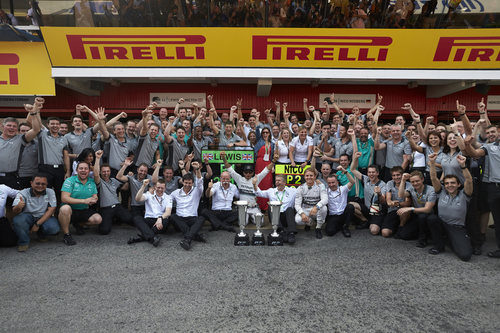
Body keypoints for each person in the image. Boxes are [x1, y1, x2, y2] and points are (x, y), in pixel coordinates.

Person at [463, 125, 500, 258]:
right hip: (494, 187)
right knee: (498, 220)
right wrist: (467, 145)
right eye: (488, 132)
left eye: (493, 132)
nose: (490, 134)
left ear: (498, 132)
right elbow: (474, 154)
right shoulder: (489, 147)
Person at [427, 153, 473, 261]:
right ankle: (439, 246)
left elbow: (469, 180)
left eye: (453, 183)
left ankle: (451, 241)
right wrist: (432, 163)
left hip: (457, 228)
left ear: (458, 184)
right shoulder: (441, 192)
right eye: (447, 183)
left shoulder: (464, 195)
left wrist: (463, 165)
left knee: (465, 256)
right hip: (442, 225)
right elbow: (433, 178)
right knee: (432, 219)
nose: (449, 185)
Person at [221, 151, 273, 224]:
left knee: (259, 223)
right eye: (246, 172)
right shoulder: (239, 179)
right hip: (243, 208)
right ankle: (248, 218)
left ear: (253, 173)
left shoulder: (256, 179)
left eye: (250, 172)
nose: (248, 174)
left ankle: (252, 218)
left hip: (254, 207)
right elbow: (230, 169)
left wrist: (274, 161)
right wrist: (224, 158)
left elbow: (266, 170)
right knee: (243, 223)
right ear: (243, 172)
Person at [0, 99, 42, 189]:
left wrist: (33, 113)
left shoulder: (20, 139)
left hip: (12, 177)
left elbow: (36, 129)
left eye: (14, 126)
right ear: (2, 126)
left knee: (13, 202)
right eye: (9, 125)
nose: (12, 128)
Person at [58, 161, 102, 246]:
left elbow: (94, 196)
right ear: (76, 170)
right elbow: (64, 198)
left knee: (98, 219)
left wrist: (94, 199)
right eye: (81, 168)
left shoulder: (91, 182)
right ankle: (67, 235)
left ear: (89, 171)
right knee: (65, 209)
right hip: (70, 209)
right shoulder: (70, 180)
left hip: (83, 209)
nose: (83, 170)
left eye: (86, 169)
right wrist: (84, 201)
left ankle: (78, 224)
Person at [12, 174, 59, 252]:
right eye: (37, 183)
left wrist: (37, 224)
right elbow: (15, 210)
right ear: (31, 183)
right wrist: (18, 207)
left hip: (43, 216)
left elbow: (51, 209)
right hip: (28, 216)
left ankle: (41, 234)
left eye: (43, 184)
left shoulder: (50, 192)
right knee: (18, 220)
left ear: (47, 184)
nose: (40, 186)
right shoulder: (23, 193)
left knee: (54, 228)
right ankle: (23, 242)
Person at [93, 150, 133, 235]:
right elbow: (96, 174)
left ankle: (114, 219)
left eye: (107, 171)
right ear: (101, 172)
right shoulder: (99, 182)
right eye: (103, 171)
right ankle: (110, 220)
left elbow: (121, 177)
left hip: (117, 206)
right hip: (105, 208)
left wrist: (126, 167)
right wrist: (97, 158)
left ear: (110, 172)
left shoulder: (114, 181)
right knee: (104, 231)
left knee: (130, 219)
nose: (106, 173)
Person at [169, 162, 206, 250]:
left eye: (189, 183)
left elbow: (200, 181)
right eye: (186, 183)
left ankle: (188, 239)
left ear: (193, 183)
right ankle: (194, 235)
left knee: (202, 218)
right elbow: (166, 200)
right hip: (180, 220)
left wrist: (197, 169)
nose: (187, 185)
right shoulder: (176, 192)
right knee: (173, 216)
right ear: (182, 182)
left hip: (192, 218)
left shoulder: (197, 191)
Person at [395, 171, 437, 247]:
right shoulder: (412, 188)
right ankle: (421, 232)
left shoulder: (431, 190)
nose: (415, 183)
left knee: (423, 216)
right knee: (404, 235)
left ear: (422, 180)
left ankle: (423, 239)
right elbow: (401, 195)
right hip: (417, 215)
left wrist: (410, 209)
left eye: (417, 181)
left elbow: (427, 209)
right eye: (412, 182)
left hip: (429, 216)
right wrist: (403, 180)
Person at [254, 174, 298, 244]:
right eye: (276, 181)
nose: (277, 182)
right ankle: (281, 231)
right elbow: (259, 193)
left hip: (287, 218)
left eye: (279, 180)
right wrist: (254, 184)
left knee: (290, 209)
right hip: (276, 218)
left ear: (284, 182)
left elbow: (303, 189)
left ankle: (291, 233)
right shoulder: (271, 191)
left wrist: (316, 182)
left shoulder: (292, 191)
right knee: (271, 206)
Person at [351, 153, 387, 235]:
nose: (371, 174)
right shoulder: (366, 179)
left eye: (373, 172)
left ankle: (374, 223)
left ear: (377, 173)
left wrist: (380, 194)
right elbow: (352, 169)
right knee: (351, 205)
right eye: (369, 172)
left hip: (376, 211)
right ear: (367, 173)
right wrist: (355, 158)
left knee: (374, 231)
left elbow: (383, 201)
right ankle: (365, 220)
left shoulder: (383, 184)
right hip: (367, 209)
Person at [133, 179, 172, 247]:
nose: (160, 189)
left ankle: (144, 236)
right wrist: (143, 186)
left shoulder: (168, 197)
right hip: (149, 220)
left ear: (165, 188)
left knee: (166, 220)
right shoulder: (149, 194)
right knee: (137, 218)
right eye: (158, 187)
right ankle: (152, 237)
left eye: (162, 188)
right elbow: (137, 199)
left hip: (160, 221)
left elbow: (168, 212)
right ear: (155, 187)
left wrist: (160, 218)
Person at [294, 168, 328, 239]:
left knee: (324, 208)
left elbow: (325, 199)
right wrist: (302, 214)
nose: (309, 177)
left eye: (311, 175)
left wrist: (317, 207)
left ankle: (318, 228)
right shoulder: (300, 188)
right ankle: (310, 223)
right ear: (304, 177)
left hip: (316, 208)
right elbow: (297, 204)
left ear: (315, 176)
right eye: (307, 175)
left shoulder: (320, 185)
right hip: (306, 208)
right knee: (298, 220)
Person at [325, 166, 356, 238]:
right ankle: (340, 226)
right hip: (333, 215)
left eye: (333, 182)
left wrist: (344, 171)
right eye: (329, 183)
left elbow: (352, 181)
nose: (331, 185)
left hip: (343, 214)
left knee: (350, 207)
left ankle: (345, 227)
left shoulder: (343, 189)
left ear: (337, 182)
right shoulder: (325, 191)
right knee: (329, 232)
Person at [384, 166, 412, 238]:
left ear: (402, 175)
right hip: (392, 210)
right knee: (385, 233)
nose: (396, 177)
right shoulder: (390, 183)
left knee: (405, 211)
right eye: (393, 175)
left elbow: (408, 203)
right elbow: (388, 199)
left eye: (398, 175)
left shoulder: (409, 185)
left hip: (404, 211)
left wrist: (398, 204)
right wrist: (390, 203)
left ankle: (401, 227)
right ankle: (394, 228)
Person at [254, 127, 274, 211]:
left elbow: (272, 156)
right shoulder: (259, 142)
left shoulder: (272, 144)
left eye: (267, 132)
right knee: (259, 183)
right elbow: (257, 129)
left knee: (267, 183)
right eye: (264, 133)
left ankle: (266, 207)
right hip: (259, 164)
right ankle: (259, 205)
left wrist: (273, 165)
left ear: (269, 134)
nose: (265, 134)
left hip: (268, 164)